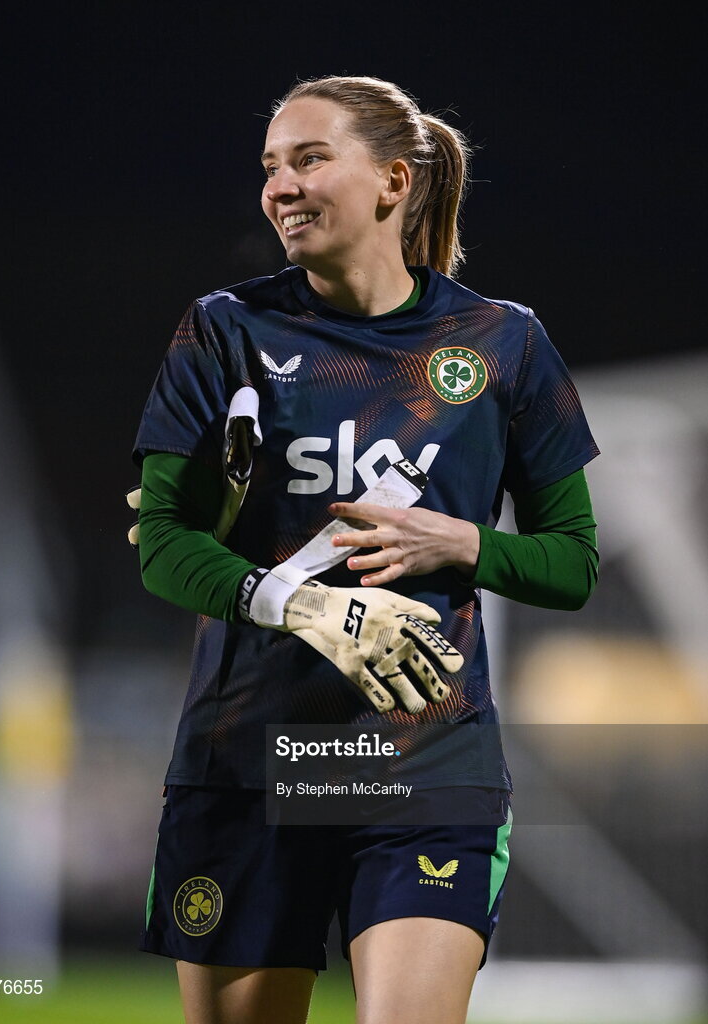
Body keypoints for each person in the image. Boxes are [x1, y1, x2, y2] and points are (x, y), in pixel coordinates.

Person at [130, 75, 599, 1024]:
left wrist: (462, 540)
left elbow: (571, 562)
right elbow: (160, 546)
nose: (280, 186)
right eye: (270, 166)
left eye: (309, 158)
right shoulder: (223, 330)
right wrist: (306, 603)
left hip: (423, 762)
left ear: (393, 180)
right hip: (251, 759)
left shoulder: (500, 343)